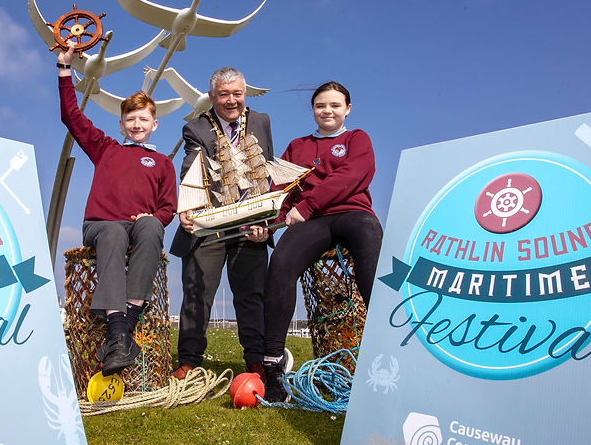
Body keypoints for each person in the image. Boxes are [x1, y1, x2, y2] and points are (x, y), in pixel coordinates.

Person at [255, 81, 383, 401]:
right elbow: (281, 189)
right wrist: (267, 224)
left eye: (335, 105)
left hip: (353, 212)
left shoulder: (357, 138)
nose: (327, 111)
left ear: (347, 109)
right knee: (281, 264)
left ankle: (390, 349)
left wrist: (308, 205)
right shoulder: (298, 145)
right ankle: (272, 365)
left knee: (371, 254)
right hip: (312, 222)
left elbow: (354, 175)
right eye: (321, 106)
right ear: (313, 110)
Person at [58, 42, 177, 375]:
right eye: (130, 118)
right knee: (111, 231)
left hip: (140, 228)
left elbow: (169, 207)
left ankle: (122, 329)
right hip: (101, 224)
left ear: (155, 124)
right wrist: (65, 69)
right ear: (121, 124)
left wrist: (154, 217)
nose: (137, 123)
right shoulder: (105, 148)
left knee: (154, 225)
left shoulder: (164, 162)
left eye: (144, 118)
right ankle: (120, 330)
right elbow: (71, 115)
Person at [169, 66, 274, 379]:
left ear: (245, 94)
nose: (232, 100)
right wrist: (186, 208)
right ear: (212, 97)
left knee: (251, 294)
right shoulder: (196, 127)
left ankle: (255, 361)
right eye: (224, 94)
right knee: (196, 292)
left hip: (250, 221)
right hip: (211, 220)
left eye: (237, 93)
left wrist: (266, 219)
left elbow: (267, 167)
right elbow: (191, 168)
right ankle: (188, 360)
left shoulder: (262, 122)